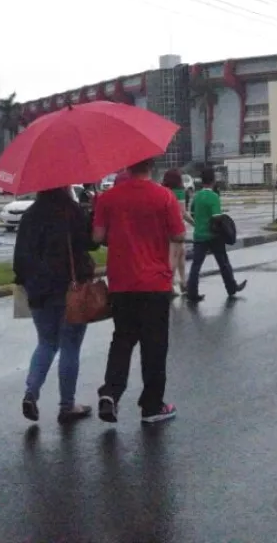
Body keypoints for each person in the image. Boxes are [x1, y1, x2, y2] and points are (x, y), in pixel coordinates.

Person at [93, 157, 187, 425]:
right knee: (154, 345)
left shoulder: (108, 198)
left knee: (122, 339)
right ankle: (152, 406)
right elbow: (179, 235)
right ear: (151, 166)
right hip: (155, 282)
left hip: (121, 281)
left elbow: (97, 237)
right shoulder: (164, 196)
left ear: (127, 167)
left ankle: (110, 392)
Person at [14, 186, 97, 423]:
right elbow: (91, 243)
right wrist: (92, 212)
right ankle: (67, 405)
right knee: (70, 346)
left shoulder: (30, 215)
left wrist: (29, 282)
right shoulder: (72, 212)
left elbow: (20, 260)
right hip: (70, 288)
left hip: (38, 291)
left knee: (46, 343)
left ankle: (31, 392)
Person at [184, 168, 246, 302]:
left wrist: (200, 222)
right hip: (213, 236)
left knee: (196, 265)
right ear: (213, 180)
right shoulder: (214, 197)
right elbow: (217, 217)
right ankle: (231, 287)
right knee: (223, 263)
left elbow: (192, 213)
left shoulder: (197, 196)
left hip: (199, 235)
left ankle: (192, 292)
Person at [161, 170, 191, 293]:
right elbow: (183, 213)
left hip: (165, 228)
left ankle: (183, 283)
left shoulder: (163, 191)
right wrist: (194, 223)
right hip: (177, 228)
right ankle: (171, 286)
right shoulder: (179, 192)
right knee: (176, 257)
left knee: (180, 254)